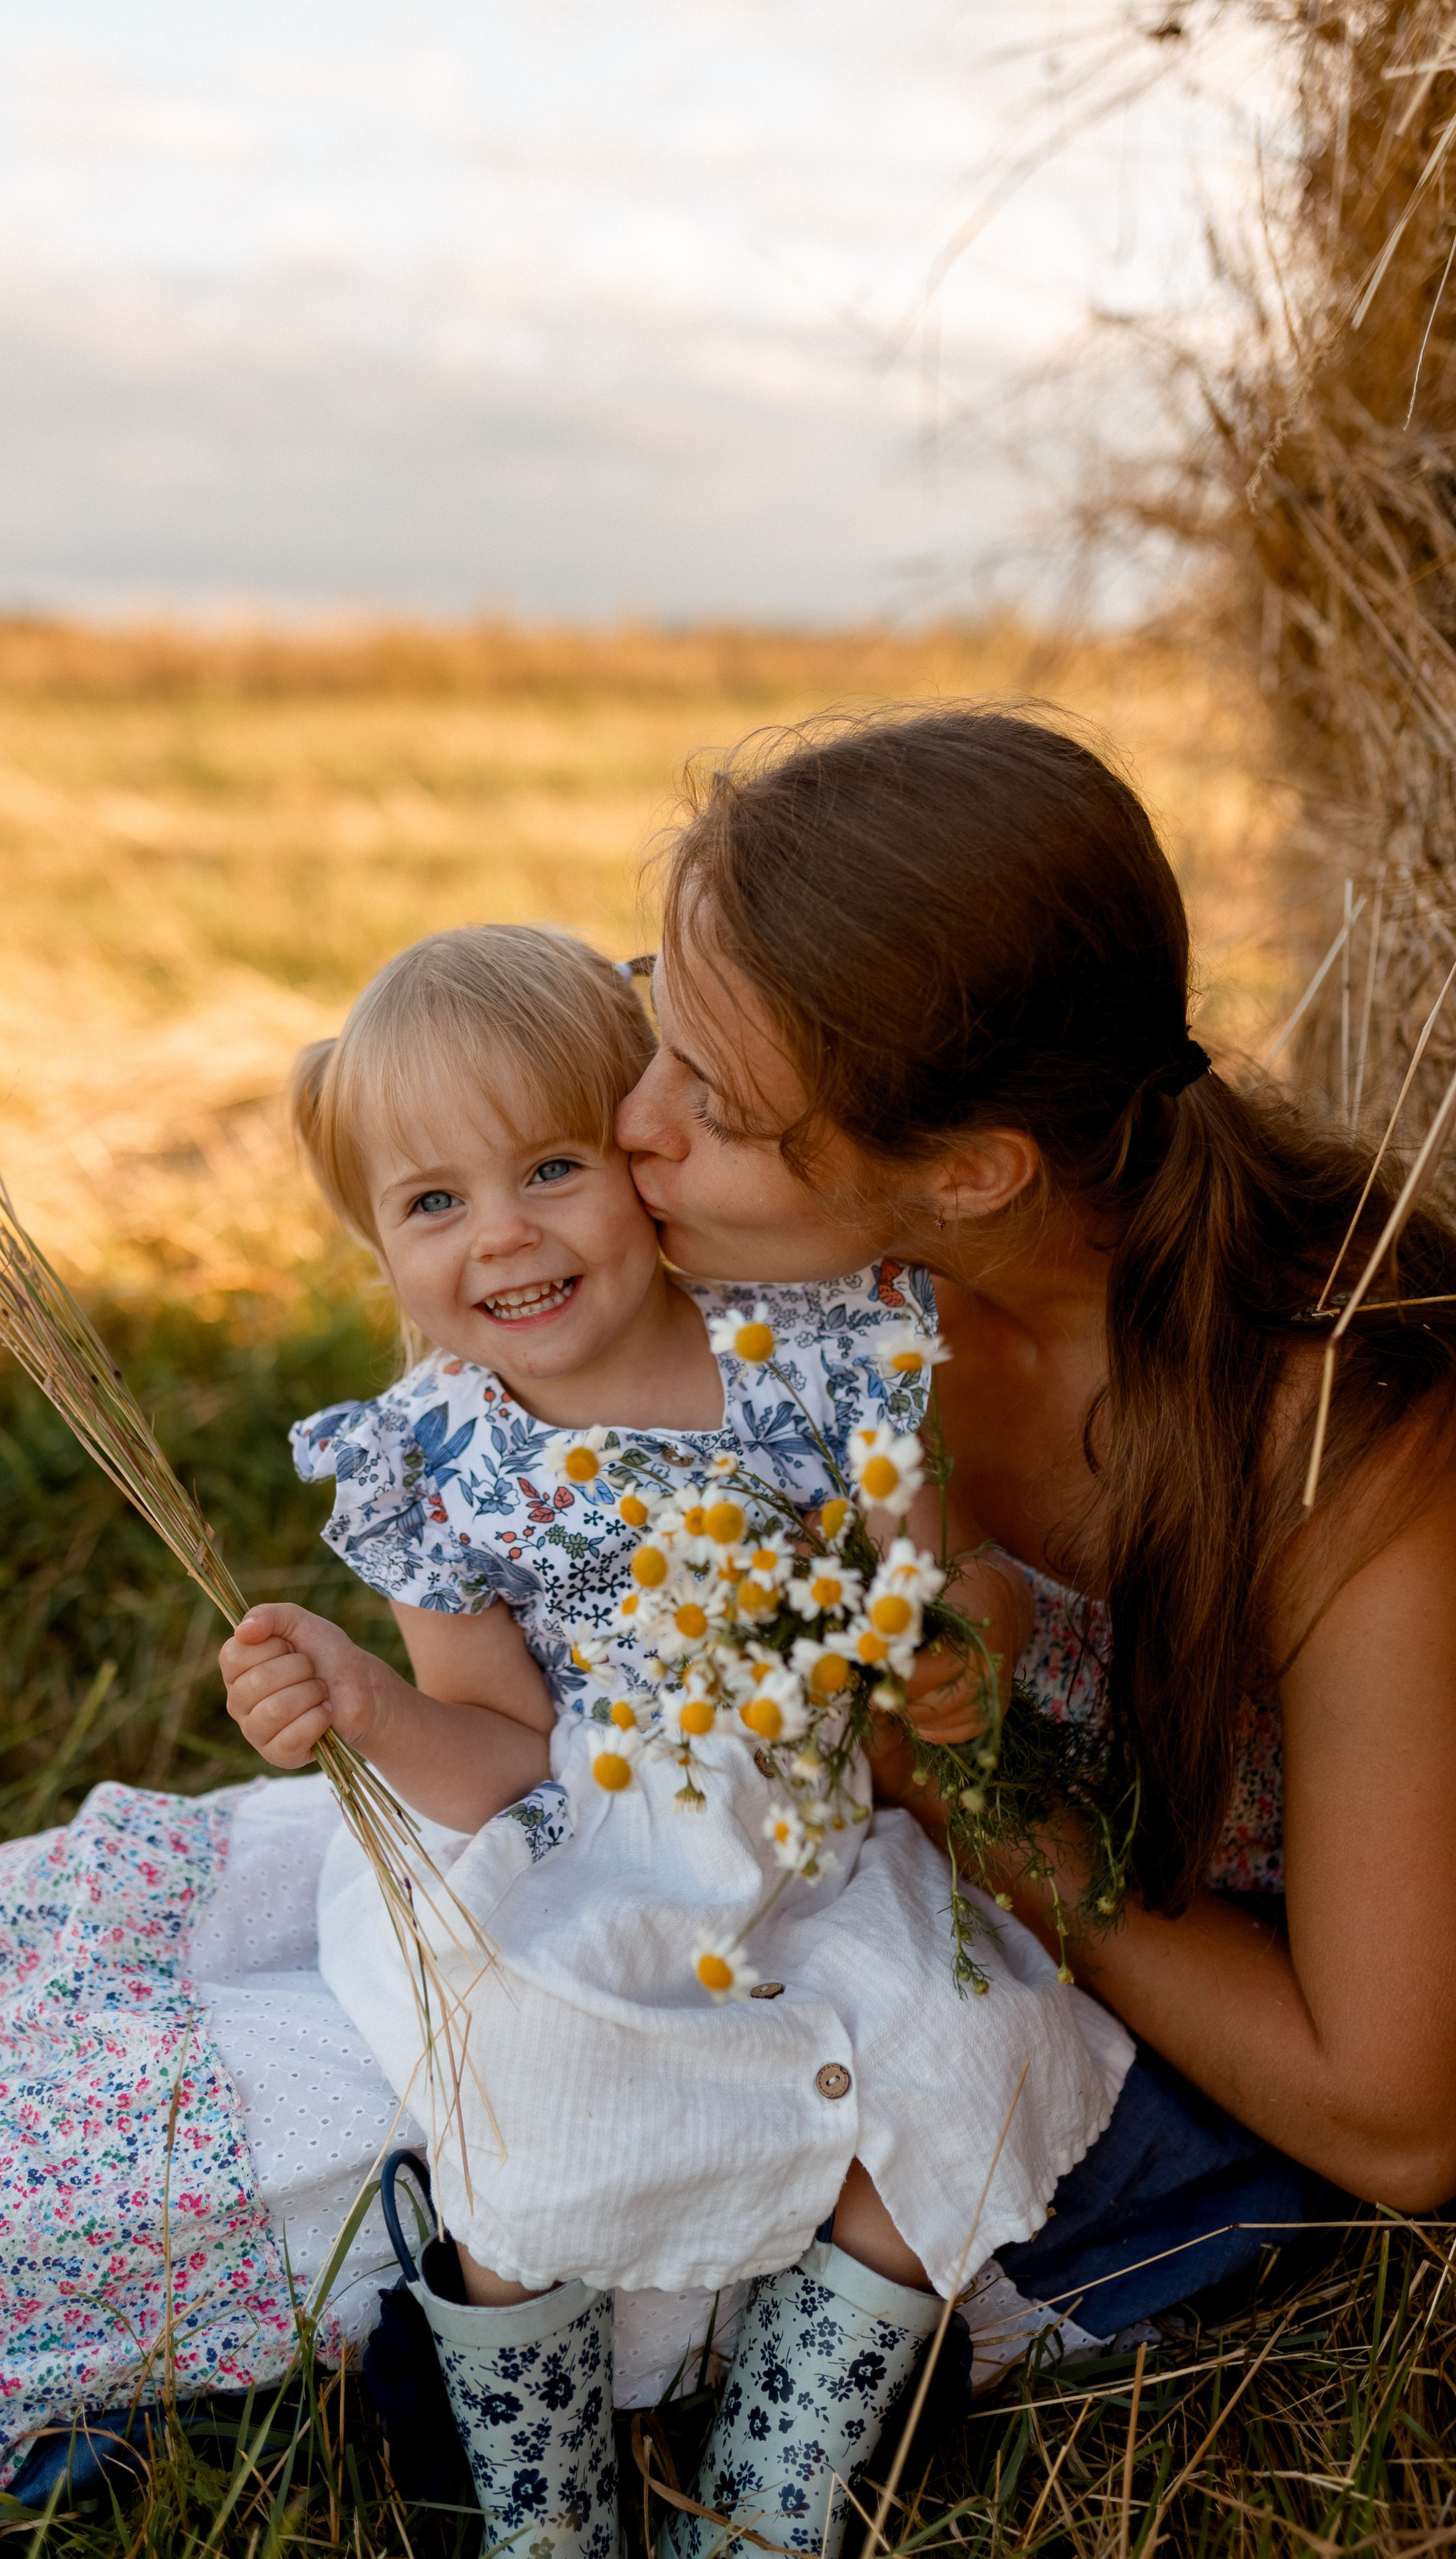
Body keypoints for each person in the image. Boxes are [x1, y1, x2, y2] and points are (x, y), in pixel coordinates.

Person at [219, 920, 1133, 2559]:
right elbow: (499, 1752)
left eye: (549, 1167)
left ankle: (775, 2489)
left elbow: (912, 1590)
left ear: (644, 1155)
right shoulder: (444, 1456)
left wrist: (937, 1655)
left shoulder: (804, 1352)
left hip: (824, 1831)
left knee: (970, 2053)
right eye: (432, 1204)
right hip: (586, 1833)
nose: (502, 1238)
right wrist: (367, 1708)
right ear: (373, 1239)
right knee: (531, 2083)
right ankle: (546, 2509)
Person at [614, 703, 1456, 2372]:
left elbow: (1396, 2125)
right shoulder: (826, 1306)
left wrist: (958, 1792)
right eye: (653, 1026)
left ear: (974, 1170)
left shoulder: (1353, 1451)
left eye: (708, 1101)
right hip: (872, 1945)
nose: (632, 1126)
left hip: (1138, 2049)